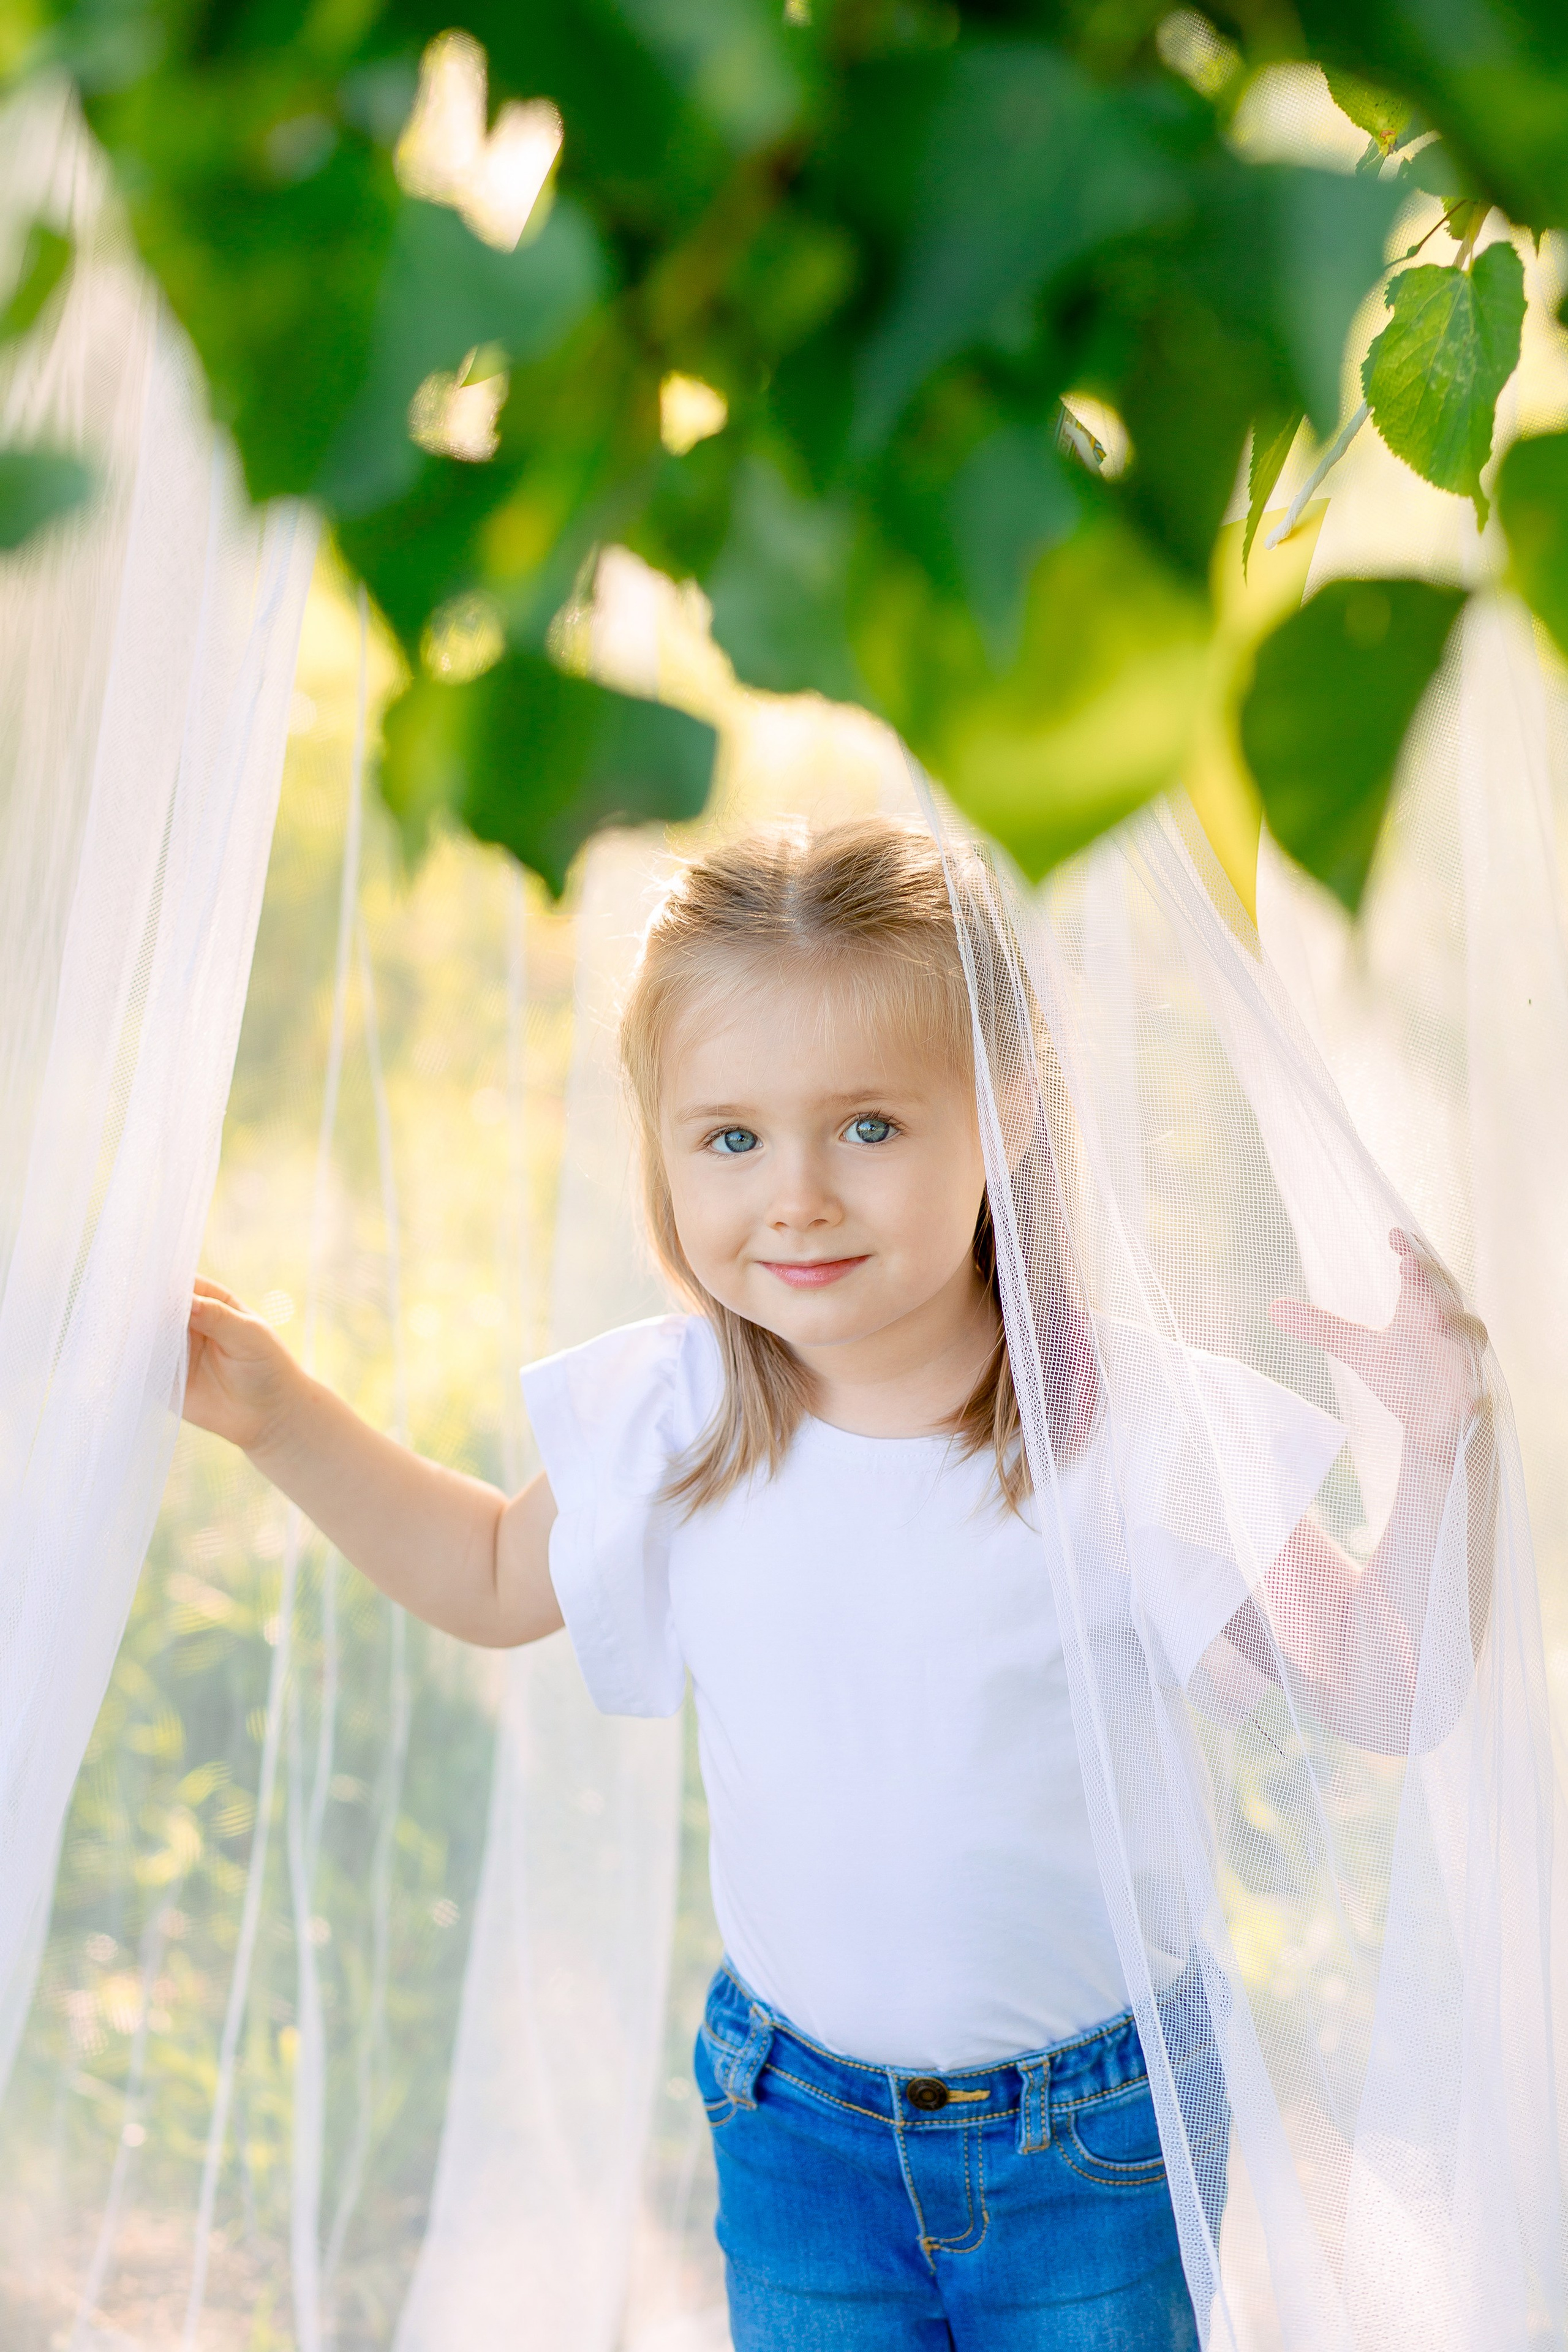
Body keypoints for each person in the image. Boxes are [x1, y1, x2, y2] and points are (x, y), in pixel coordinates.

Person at [184, 816, 1485, 2351]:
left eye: (867, 1127)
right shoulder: (676, 1416)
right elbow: (484, 1573)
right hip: (794, 2122)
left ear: (1004, 1119)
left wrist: (1440, 1449)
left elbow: (1374, 1687)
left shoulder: (1127, 1425)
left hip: (1093, 2140)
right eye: (730, 1139)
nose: (793, 1195)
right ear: (660, 1147)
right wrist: (275, 1413)